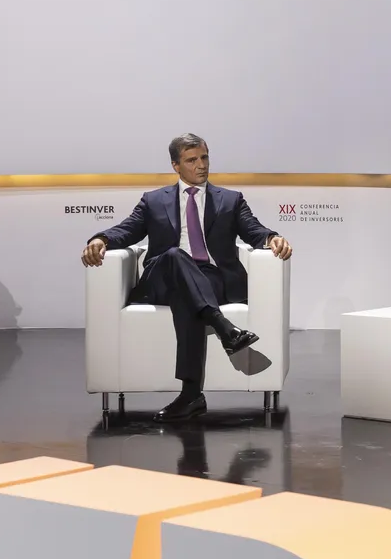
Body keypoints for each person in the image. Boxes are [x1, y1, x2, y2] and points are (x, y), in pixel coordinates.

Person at [81, 134, 292, 422]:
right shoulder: (154, 200)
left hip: (210, 279)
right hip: (162, 277)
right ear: (176, 165)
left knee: (187, 297)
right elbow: (127, 230)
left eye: (204, 157)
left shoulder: (231, 200)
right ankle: (224, 328)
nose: (201, 165)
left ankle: (191, 396)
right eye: (192, 160)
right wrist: (101, 239)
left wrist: (272, 238)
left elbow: (253, 229)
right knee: (174, 256)